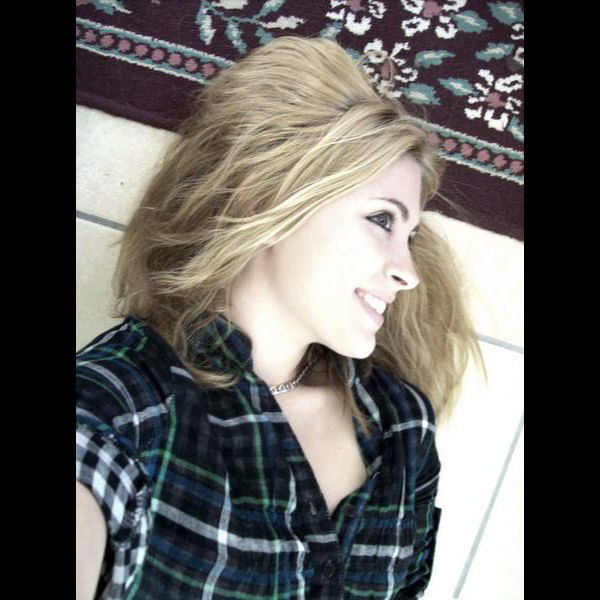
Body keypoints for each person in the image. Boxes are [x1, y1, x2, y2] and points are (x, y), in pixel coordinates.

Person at [76, 35, 485, 600]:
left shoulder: (402, 425)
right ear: (266, 201)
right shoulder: (123, 403)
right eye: (381, 220)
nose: (408, 272)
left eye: (409, 235)